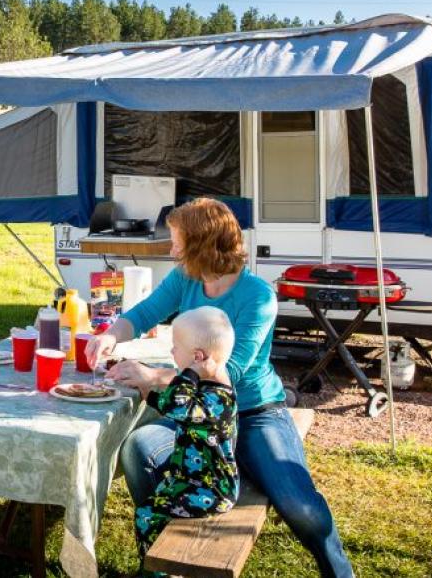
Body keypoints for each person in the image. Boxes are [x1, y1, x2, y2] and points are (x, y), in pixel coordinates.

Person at [85, 198, 354, 578]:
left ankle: (339, 572)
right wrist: (110, 336)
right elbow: (145, 313)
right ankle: (161, 561)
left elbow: (229, 372)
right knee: (138, 449)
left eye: (178, 241)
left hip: (255, 413)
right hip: (199, 417)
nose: (172, 248)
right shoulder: (186, 278)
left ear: (201, 245)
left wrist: (151, 376)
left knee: (300, 506)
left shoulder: (258, 296)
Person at [131, 306, 239, 572]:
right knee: (155, 501)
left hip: (212, 491)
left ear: (198, 357)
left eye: (175, 347)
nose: (171, 353)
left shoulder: (217, 401)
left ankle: (155, 572)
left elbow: (180, 405)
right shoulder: (209, 386)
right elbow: (176, 405)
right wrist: (150, 395)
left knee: (147, 515)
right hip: (192, 479)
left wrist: (188, 372)